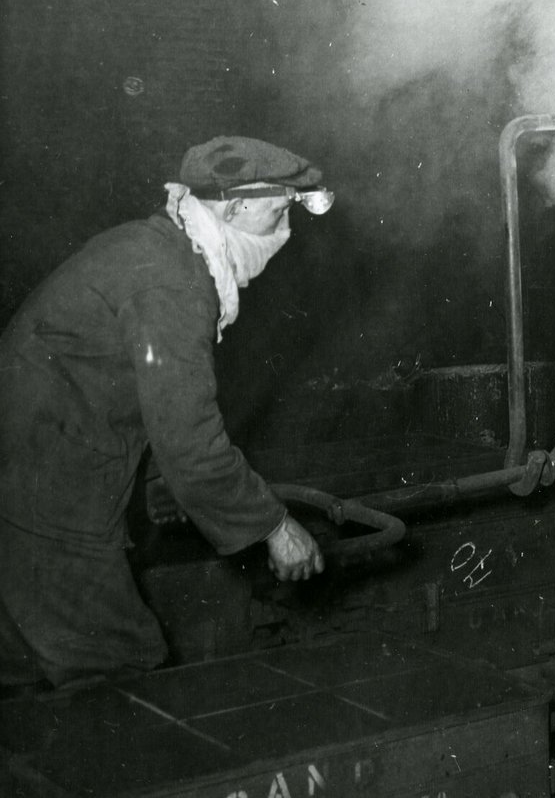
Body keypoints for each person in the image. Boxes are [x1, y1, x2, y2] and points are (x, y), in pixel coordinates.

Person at [0, 136, 333, 692]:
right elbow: (191, 442)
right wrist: (275, 527)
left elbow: (124, 381)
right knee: (120, 668)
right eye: (279, 209)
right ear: (235, 207)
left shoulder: (161, 247)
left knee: (22, 673)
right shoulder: (175, 283)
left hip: (29, 461)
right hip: (48, 482)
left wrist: (158, 482)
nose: (284, 227)